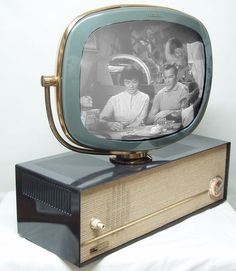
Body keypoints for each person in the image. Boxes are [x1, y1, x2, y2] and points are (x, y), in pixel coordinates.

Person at [99, 67, 150, 131]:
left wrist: (127, 128)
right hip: (118, 131)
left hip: (137, 131)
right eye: (127, 82)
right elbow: (101, 119)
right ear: (123, 82)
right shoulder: (114, 99)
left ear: (139, 81)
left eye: (134, 82)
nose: (131, 86)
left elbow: (140, 120)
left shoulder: (145, 98)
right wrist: (109, 124)